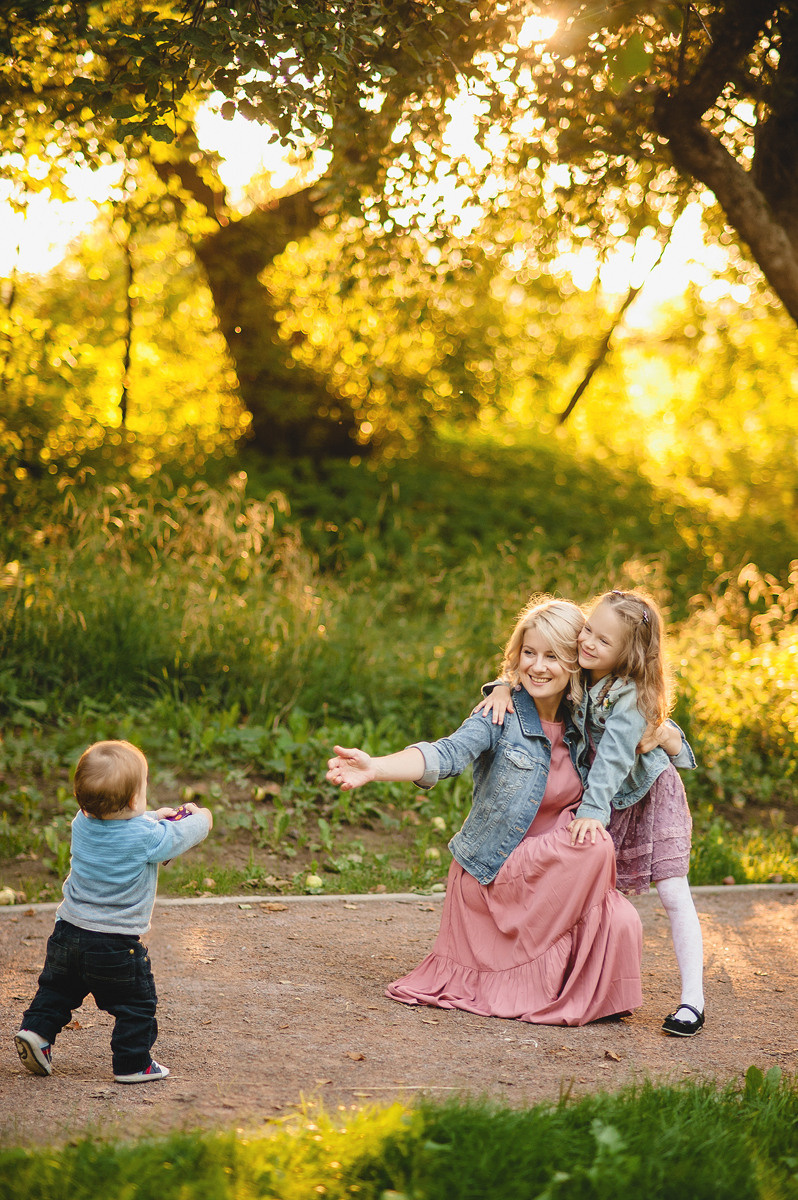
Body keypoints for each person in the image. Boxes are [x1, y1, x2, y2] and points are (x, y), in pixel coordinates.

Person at [326, 598, 643, 1026]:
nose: (538, 666)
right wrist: (377, 767)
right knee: (594, 844)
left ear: (574, 662)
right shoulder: (500, 714)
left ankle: (579, 991)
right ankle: (532, 984)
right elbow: (447, 753)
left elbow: (640, 705)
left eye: (552, 656)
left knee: (620, 917)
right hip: (499, 872)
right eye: (529, 653)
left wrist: (671, 738)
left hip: (556, 874)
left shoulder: (584, 719)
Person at [479, 588, 704, 1038]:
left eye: (603, 640)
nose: (588, 643)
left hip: (643, 798)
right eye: (588, 630)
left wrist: (593, 810)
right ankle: (590, 984)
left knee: (674, 892)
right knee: (598, 894)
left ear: (628, 653)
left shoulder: (631, 693)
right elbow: (535, 665)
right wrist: (502, 686)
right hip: (603, 803)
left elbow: (616, 756)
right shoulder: (585, 672)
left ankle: (692, 999)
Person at [14, 740, 213, 1083]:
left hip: (67, 934)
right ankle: (133, 1062)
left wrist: (153, 817)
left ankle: (37, 1033)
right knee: (136, 1004)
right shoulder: (148, 838)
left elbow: (122, 826)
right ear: (135, 798)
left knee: (57, 991)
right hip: (115, 945)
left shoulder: (81, 823)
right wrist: (203, 818)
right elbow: (179, 836)